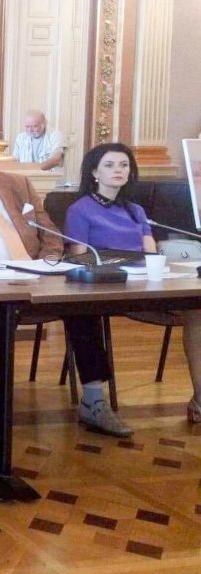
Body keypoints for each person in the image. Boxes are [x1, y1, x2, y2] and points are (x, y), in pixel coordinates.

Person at [0, 133, 132, 437]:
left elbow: (50, 234)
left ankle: (94, 401)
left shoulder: (19, 185)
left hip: (39, 274)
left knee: (83, 306)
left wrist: (47, 262)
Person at [65, 142, 201, 423]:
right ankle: (94, 400)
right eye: (110, 165)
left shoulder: (136, 210)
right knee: (81, 311)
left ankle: (200, 400)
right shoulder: (80, 209)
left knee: (198, 309)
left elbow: (150, 254)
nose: (118, 170)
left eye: (124, 165)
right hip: (105, 287)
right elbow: (80, 258)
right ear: (94, 173)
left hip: (144, 284)